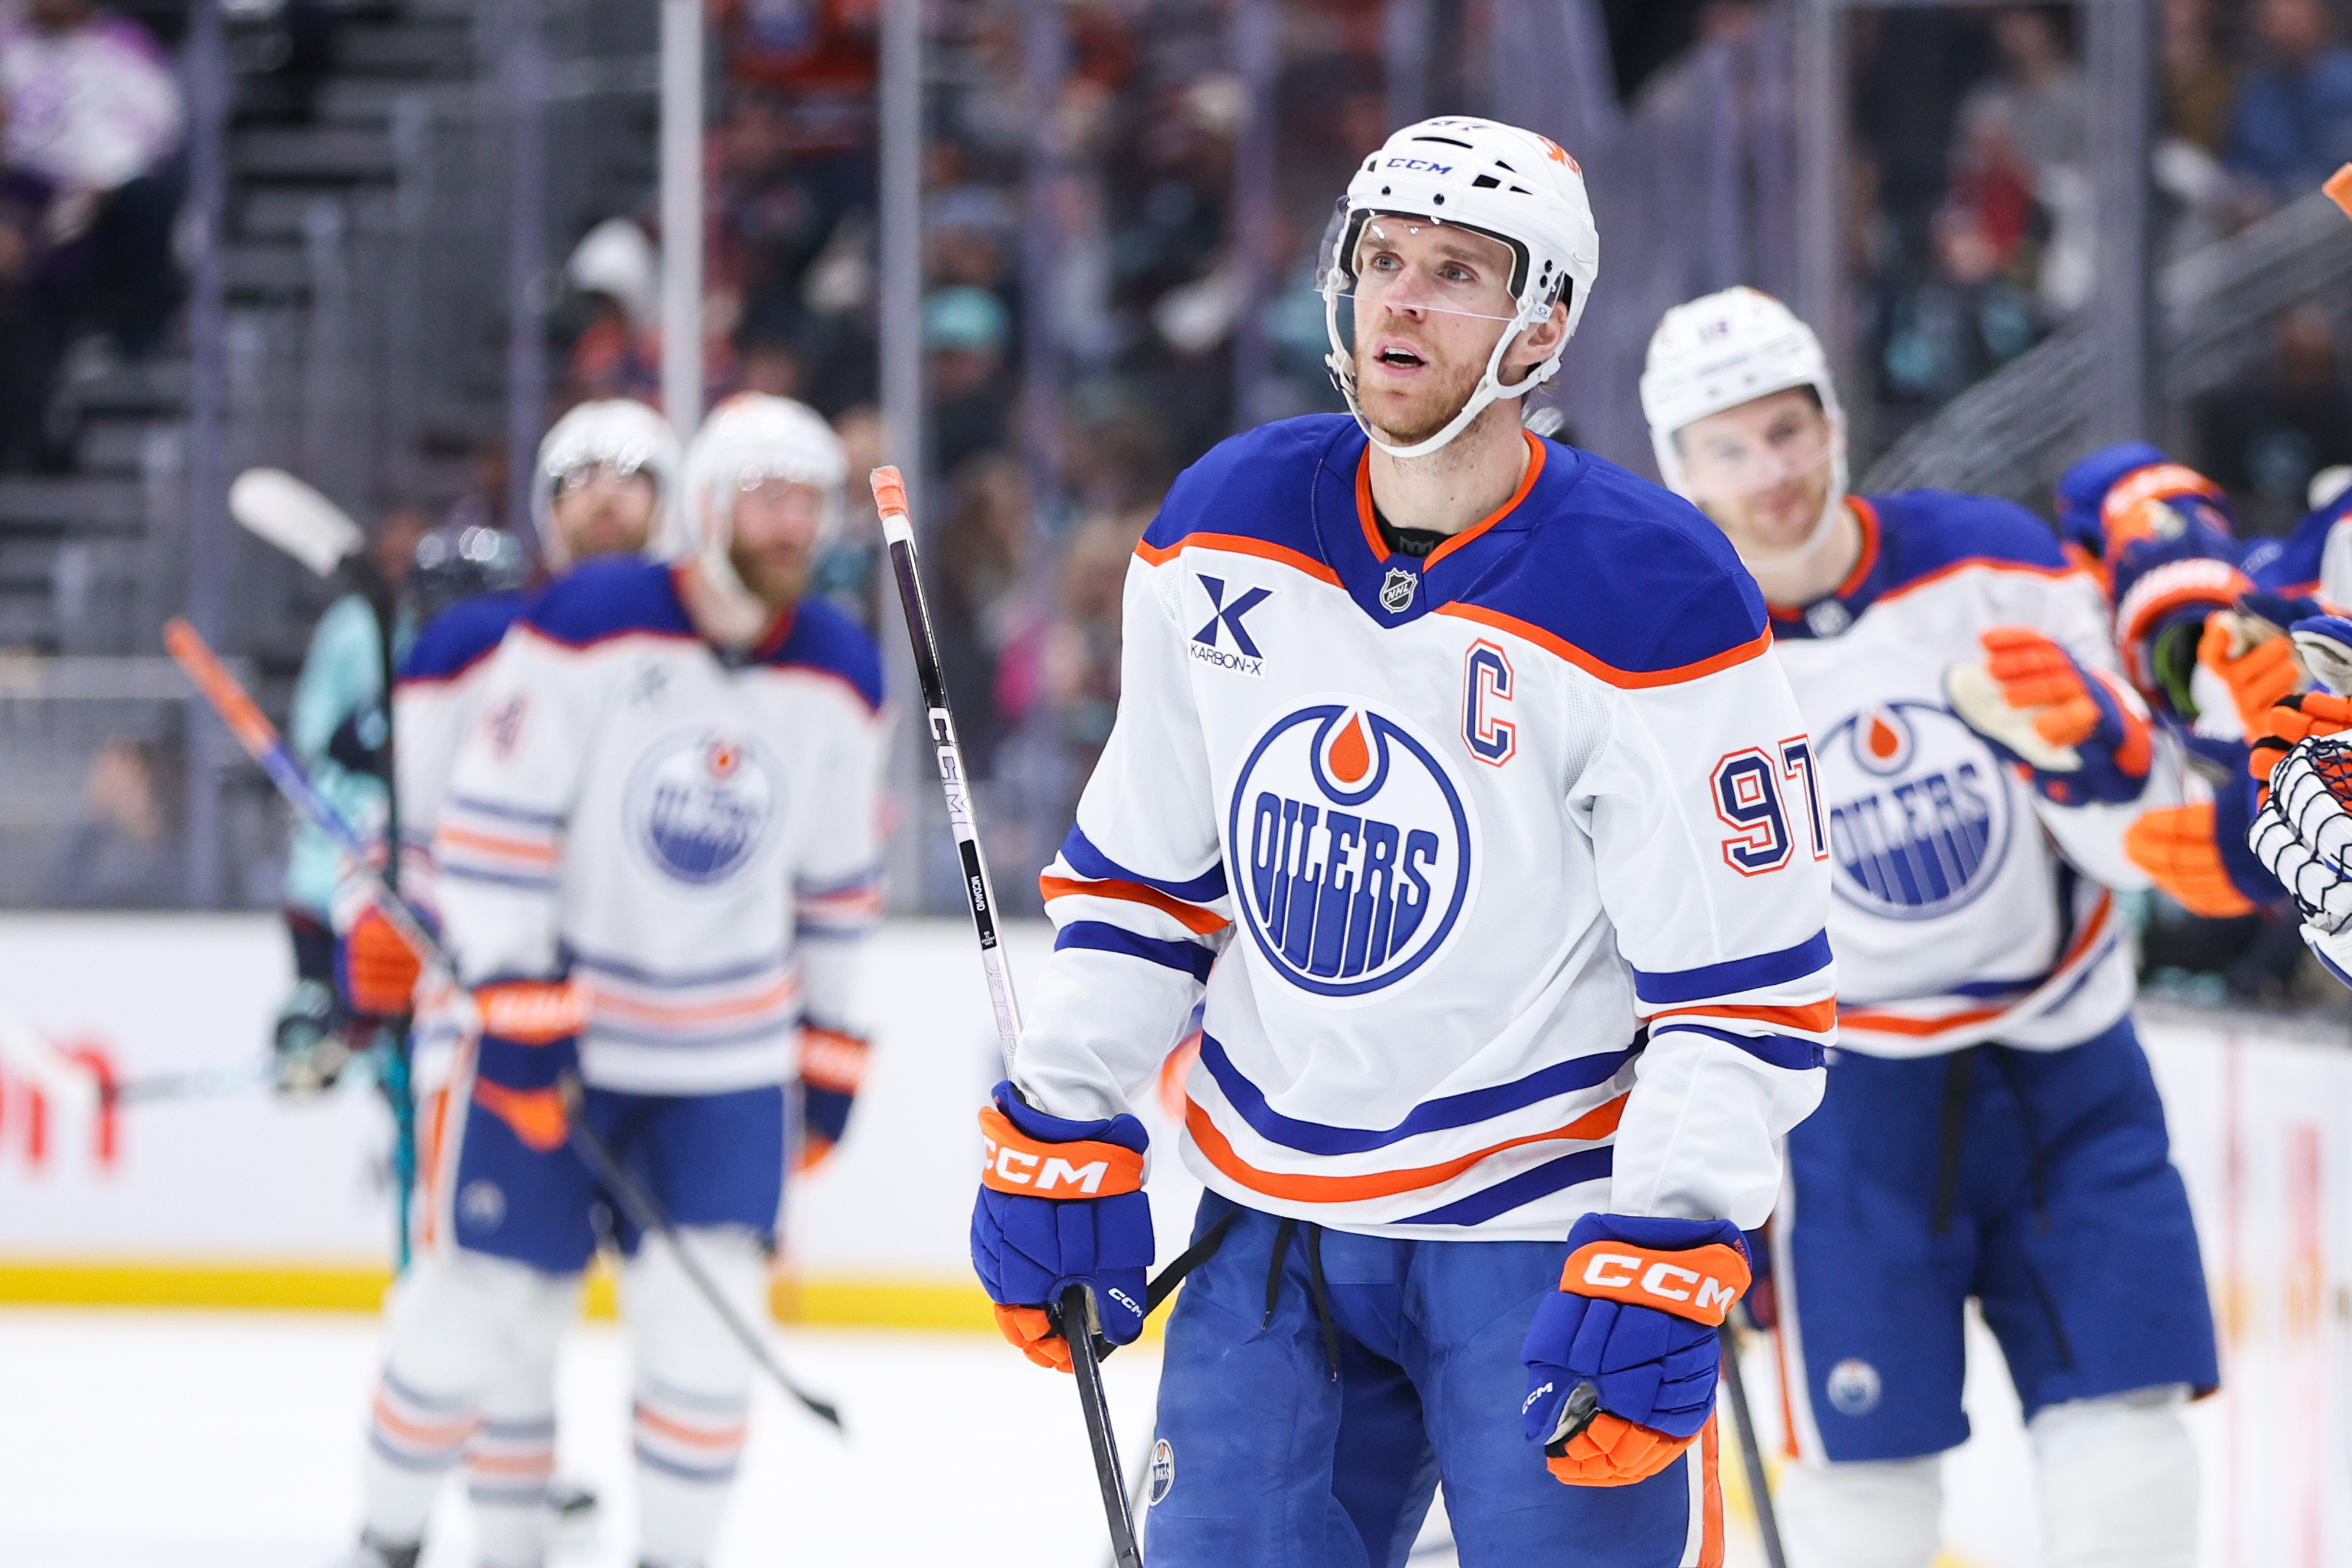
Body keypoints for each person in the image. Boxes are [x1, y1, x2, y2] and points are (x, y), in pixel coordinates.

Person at [970, 118, 1835, 1565]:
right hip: (1270, 1225)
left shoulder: (1654, 591)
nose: (1403, 302)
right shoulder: (1225, 525)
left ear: (1542, 323)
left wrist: (1673, 1229)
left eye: (1456, 272)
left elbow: (1744, 984)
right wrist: (1060, 1114)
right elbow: (1141, 885)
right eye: (1382, 260)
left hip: (1539, 1235)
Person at [1640, 288, 2218, 1568]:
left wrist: (2098, 760)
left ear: (1833, 423)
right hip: (1844, 1107)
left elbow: (2153, 840)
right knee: (1862, 1489)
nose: (1767, 472)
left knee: (2128, 1444)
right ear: (1677, 469)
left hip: (2069, 1068)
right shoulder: (1665, 655)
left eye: (1785, 430)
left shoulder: (1991, 561)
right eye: (1725, 447)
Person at [337, 393, 884, 1568]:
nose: (791, 524)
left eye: (808, 501)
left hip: (725, 1064)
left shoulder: (842, 670)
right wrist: (515, 996)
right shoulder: (587, 624)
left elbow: (837, 884)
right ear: (709, 506)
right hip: (561, 1034)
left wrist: (833, 1043)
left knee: (703, 1333)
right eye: (766, 498)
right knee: (482, 1305)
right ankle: (385, 1543)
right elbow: (488, 827)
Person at [270, 504, 430, 1095]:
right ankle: (314, 1034)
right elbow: (314, 731)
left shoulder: (436, 630)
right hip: (333, 859)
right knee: (326, 994)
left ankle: (385, 1067)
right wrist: (363, 743)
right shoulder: (348, 627)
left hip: (404, 868)